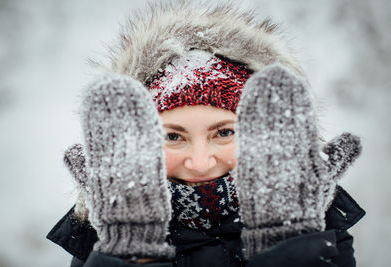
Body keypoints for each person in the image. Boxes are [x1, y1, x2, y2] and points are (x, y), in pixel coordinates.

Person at [47, 1, 365, 266]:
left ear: (270, 132)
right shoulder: (102, 235)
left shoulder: (320, 222)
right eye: (173, 136)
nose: (199, 163)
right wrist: (132, 246)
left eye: (224, 132)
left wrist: (286, 238)